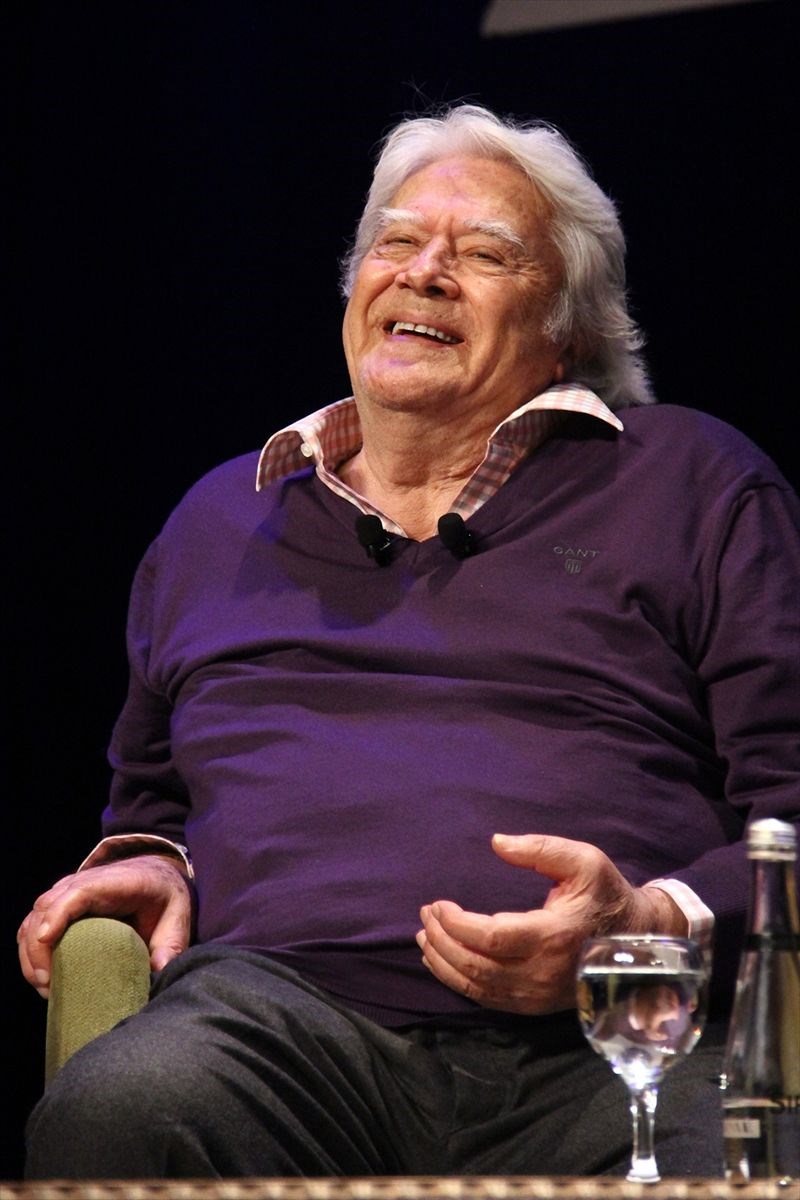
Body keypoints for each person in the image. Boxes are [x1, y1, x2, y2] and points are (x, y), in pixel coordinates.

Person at [18, 104, 800, 1180]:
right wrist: (153, 860)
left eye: (483, 254)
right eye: (395, 242)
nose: (423, 272)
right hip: (277, 1029)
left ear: (569, 329)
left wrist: (643, 925)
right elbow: (150, 803)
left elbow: (790, 810)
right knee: (122, 1112)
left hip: (617, 1040)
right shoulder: (218, 523)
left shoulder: (692, 482)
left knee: (742, 1159)